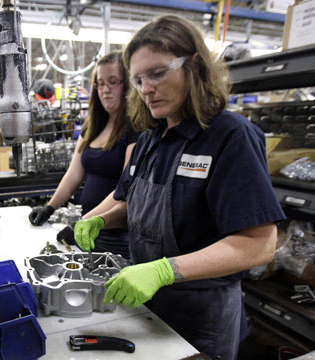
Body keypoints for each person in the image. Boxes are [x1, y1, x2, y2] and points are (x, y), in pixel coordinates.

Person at [73, 15, 285, 359]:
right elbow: (131, 200)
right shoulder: (151, 138)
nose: (145, 89)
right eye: (138, 79)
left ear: (195, 66)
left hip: (201, 312)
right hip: (149, 301)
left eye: (157, 73)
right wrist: (100, 219)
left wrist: (165, 269)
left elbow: (259, 244)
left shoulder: (229, 136)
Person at [28, 51, 140, 259]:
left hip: (117, 234)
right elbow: (73, 174)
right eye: (100, 84)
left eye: (113, 82)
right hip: (88, 230)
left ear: (127, 84)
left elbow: (124, 189)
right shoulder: (93, 126)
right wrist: (49, 207)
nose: (105, 90)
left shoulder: (135, 129)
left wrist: (83, 222)